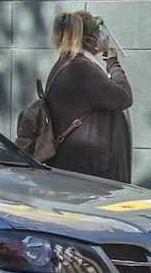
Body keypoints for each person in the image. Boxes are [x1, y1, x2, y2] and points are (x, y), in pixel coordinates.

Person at [44, 10, 133, 182]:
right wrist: (112, 61)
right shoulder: (82, 69)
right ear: (88, 39)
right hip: (90, 171)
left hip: (77, 165)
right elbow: (123, 96)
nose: (102, 37)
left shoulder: (65, 64)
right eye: (98, 33)